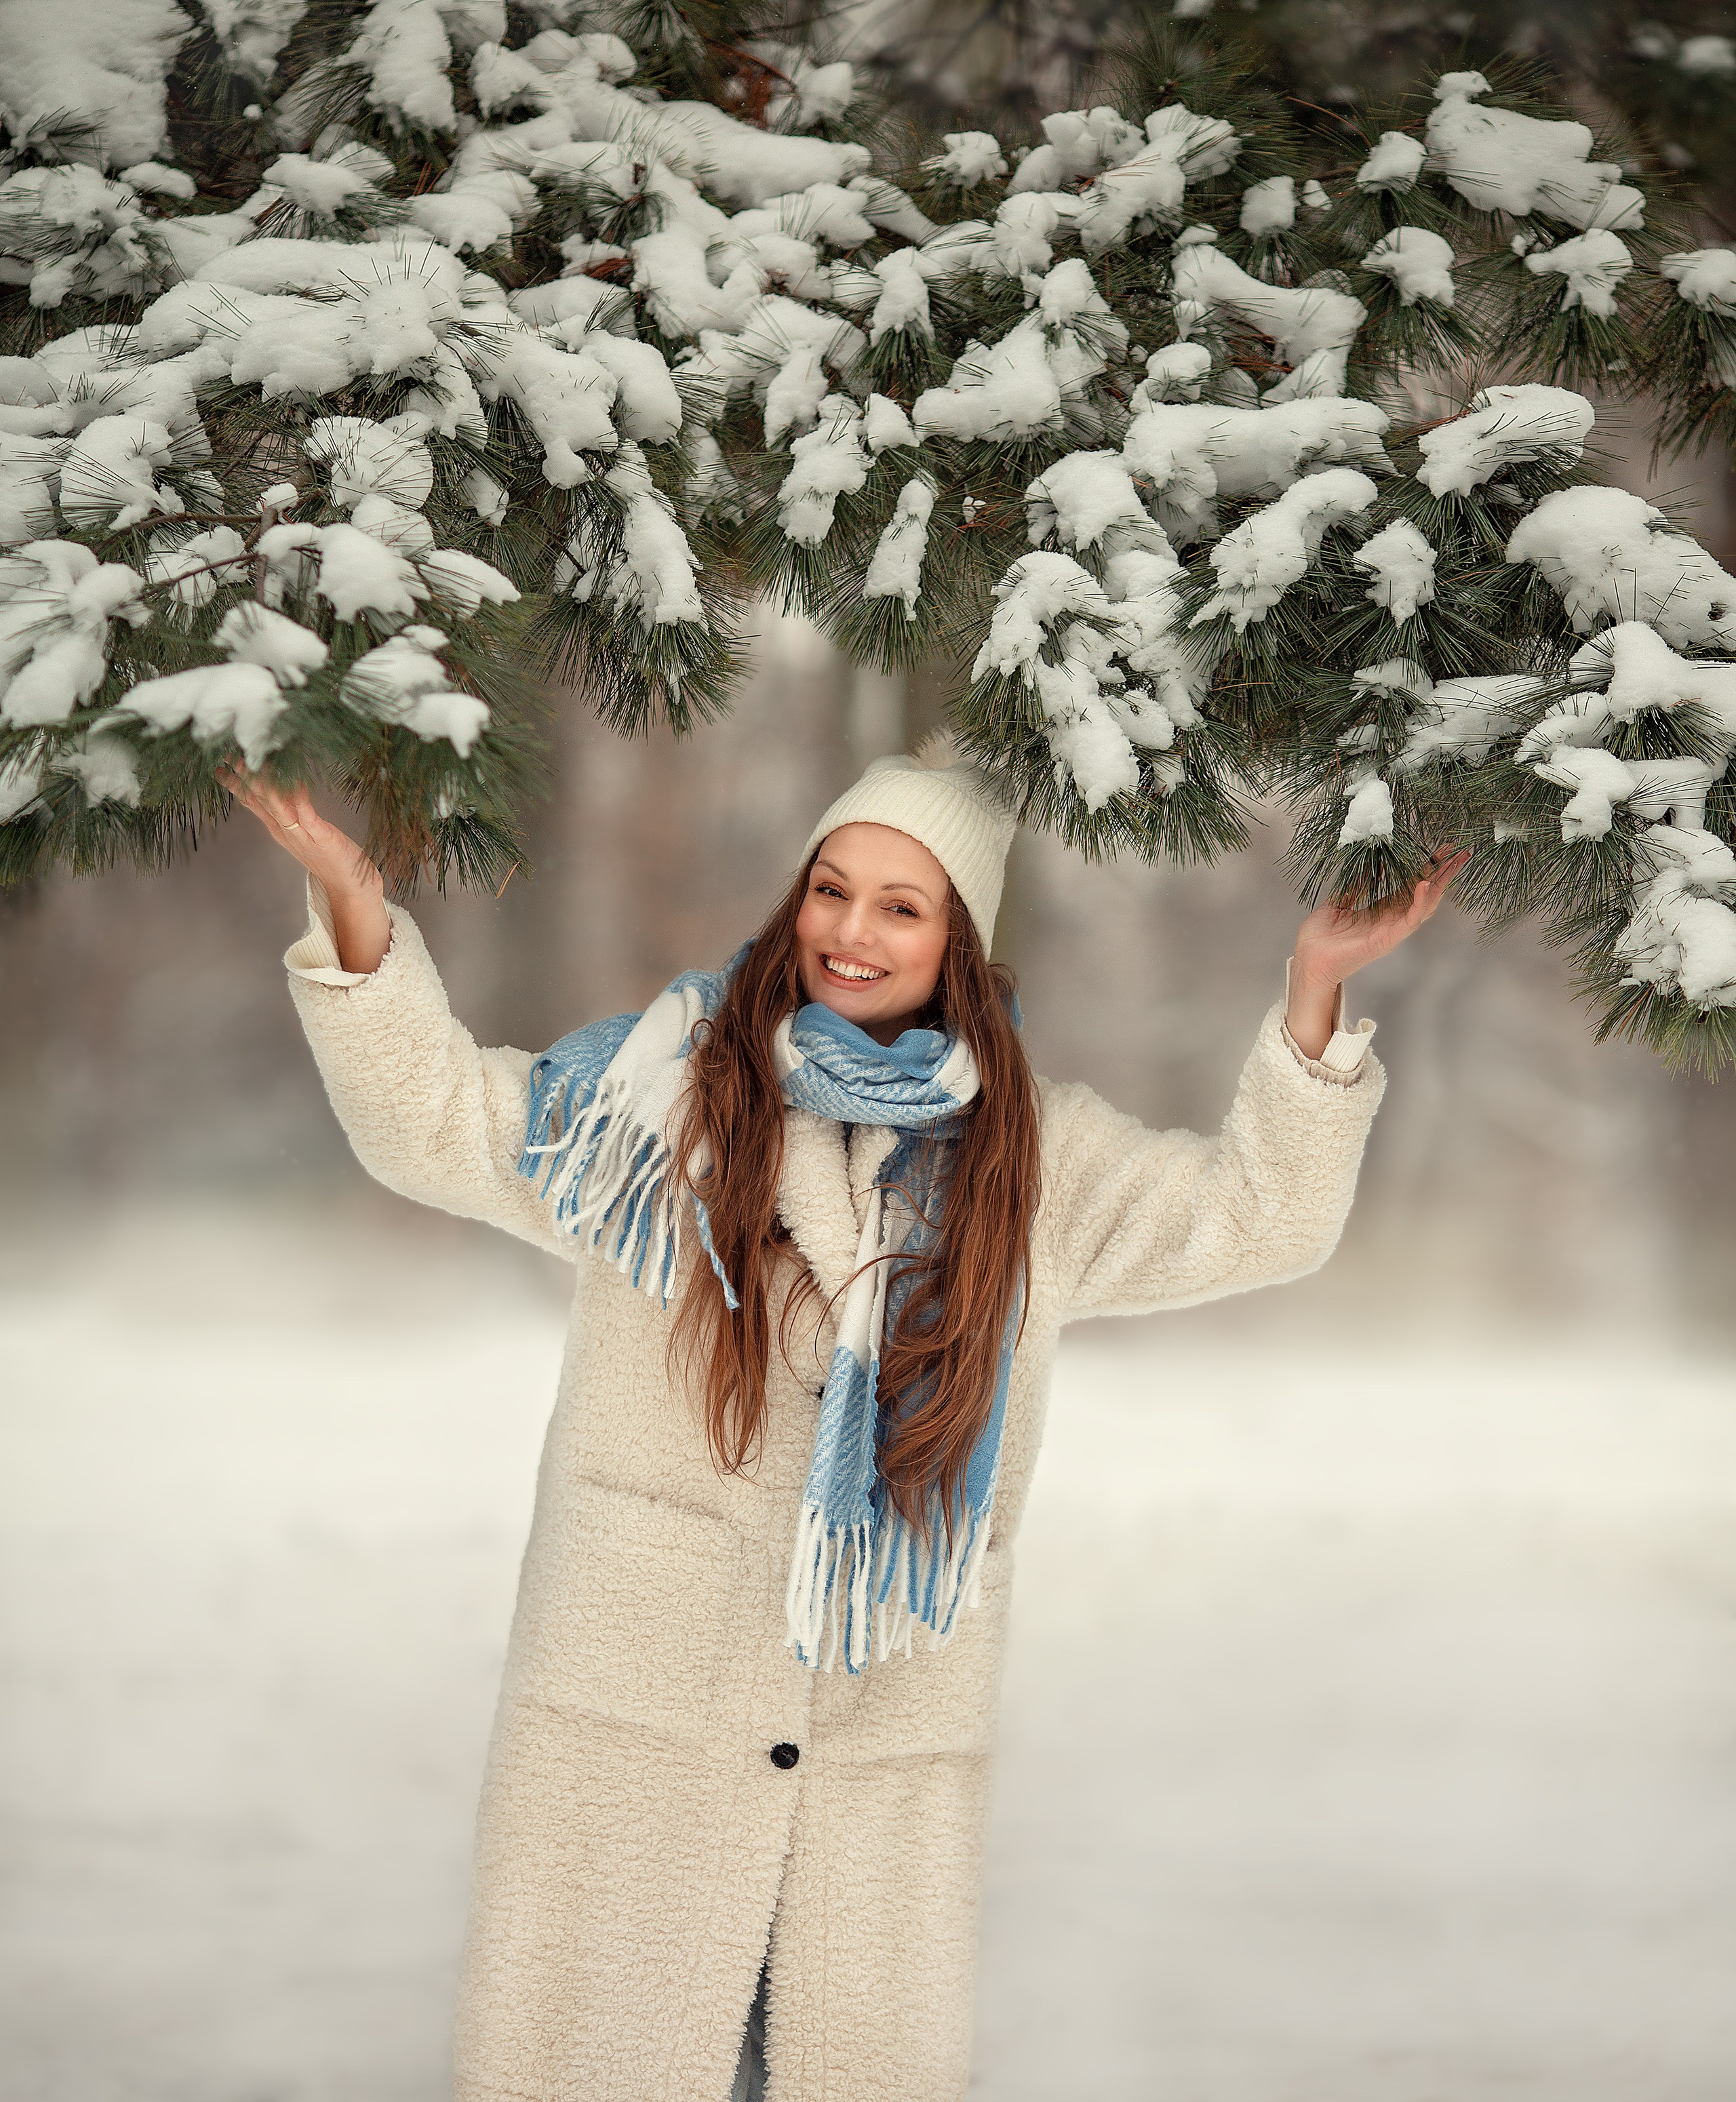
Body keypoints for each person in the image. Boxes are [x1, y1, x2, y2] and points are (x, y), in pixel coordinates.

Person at [224, 742, 1465, 2102]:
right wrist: (351, 905)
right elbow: (431, 1120)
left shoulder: (1031, 1162)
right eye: (831, 888)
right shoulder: (658, 1101)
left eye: (900, 904)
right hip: (641, 1718)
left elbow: (1258, 1218)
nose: (849, 932)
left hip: (877, 1735)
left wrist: (1313, 985)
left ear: (959, 939)